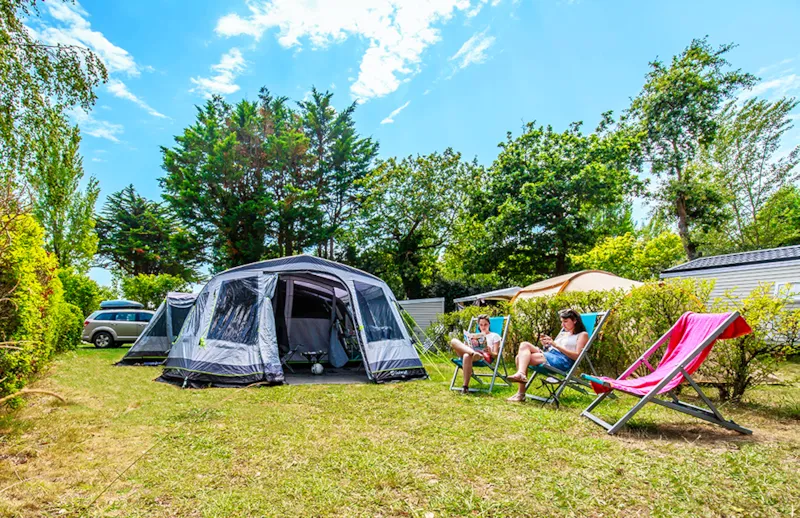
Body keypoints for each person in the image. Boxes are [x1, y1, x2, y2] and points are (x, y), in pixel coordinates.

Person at [505, 308, 588, 402]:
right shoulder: (564, 334)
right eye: (561, 322)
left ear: (575, 321)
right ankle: (521, 375)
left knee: (519, 358)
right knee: (524, 345)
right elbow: (553, 348)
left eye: (565, 321)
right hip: (550, 354)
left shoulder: (582, 334)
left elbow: (577, 356)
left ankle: (521, 393)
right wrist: (547, 345)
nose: (562, 325)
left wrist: (555, 345)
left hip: (563, 360)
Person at [450, 314, 502, 394]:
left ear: (489, 324)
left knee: (466, 356)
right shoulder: (474, 336)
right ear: (478, 325)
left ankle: (465, 387)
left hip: (484, 356)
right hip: (472, 353)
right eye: (481, 325)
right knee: (453, 341)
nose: (483, 327)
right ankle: (472, 352)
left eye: (485, 324)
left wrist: (490, 352)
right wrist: (468, 345)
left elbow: (495, 354)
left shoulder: (495, 336)